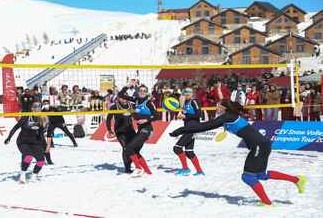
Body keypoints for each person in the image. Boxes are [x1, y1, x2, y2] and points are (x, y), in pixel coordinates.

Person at [170, 100, 306, 206]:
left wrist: (181, 130)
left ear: (223, 107)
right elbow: (205, 126)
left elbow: (204, 126)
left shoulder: (227, 116)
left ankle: (267, 203)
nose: (216, 107)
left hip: (259, 145)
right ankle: (297, 180)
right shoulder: (227, 117)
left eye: (218, 106)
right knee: (260, 175)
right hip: (260, 145)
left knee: (248, 177)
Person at [4, 102, 50, 183]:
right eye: (35, 107)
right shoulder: (26, 117)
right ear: (32, 109)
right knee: (28, 156)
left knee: (41, 161)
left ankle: (34, 175)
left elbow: (41, 134)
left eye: (39, 108)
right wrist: (9, 138)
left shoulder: (43, 118)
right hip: (23, 141)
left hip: (35, 142)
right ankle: (22, 175)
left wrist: (45, 145)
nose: (37, 109)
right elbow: (16, 127)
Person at [122, 85, 160, 176]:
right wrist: (127, 86)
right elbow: (121, 95)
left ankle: (138, 168)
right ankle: (148, 172)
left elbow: (157, 116)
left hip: (147, 129)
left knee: (128, 148)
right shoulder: (136, 101)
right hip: (140, 129)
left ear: (147, 92)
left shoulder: (149, 103)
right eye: (140, 90)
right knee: (135, 151)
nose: (142, 92)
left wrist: (146, 120)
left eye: (144, 91)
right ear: (138, 92)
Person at [173, 88, 204, 176]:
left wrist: (185, 116)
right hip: (188, 128)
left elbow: (198, 114)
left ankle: (185, 169)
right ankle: (199, 171)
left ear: (192, 94)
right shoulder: (184, 103)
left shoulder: (194, 101)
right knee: (189, 151)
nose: (186, 94)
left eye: (188, 93)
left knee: (177, 148)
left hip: (193, 128)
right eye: (184, 93)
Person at [106, 92, 136, 173]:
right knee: (125, 148)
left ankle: (132, 164)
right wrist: (109, 129)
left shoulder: (131, 105)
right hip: (120, 130)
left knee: (133, 148)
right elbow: (108, 119)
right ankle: (127, 168)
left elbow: (139, 114)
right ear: (118, 98)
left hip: (130, 129)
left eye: (125, 97)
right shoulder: (114, 106)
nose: (124, 99)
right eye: (122, 97)